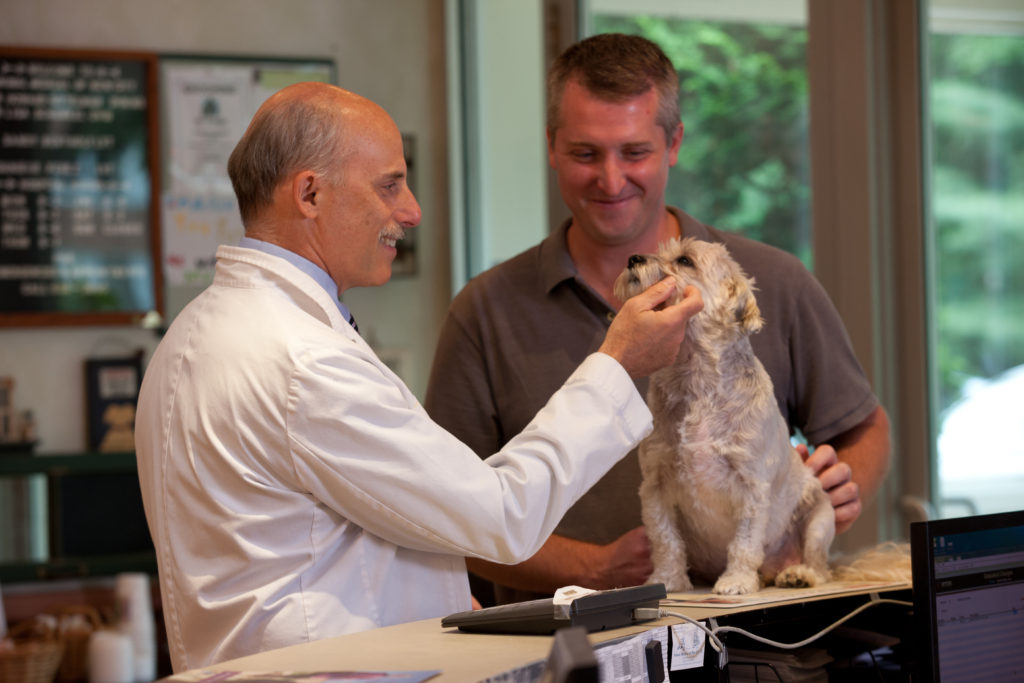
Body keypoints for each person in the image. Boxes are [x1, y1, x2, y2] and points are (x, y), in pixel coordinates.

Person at [133, 81, 702, 671]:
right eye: (388, 185)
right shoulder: (304, 362)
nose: (412, 211)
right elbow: (501, 516)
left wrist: (442, 597)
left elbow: (319, 538)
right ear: (309, 194)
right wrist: (619, 364)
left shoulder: (195, 333)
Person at [424, 33, 892, 605]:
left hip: (757, 648)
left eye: (635, 152)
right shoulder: (486, 311)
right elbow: (444, 517)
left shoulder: (768, 281)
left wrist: (830, 496)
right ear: (550, 146)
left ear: (674, 143)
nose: (612, 180)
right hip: (567, 651)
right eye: (585, 153)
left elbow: (864, 428)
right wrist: (594, 570)